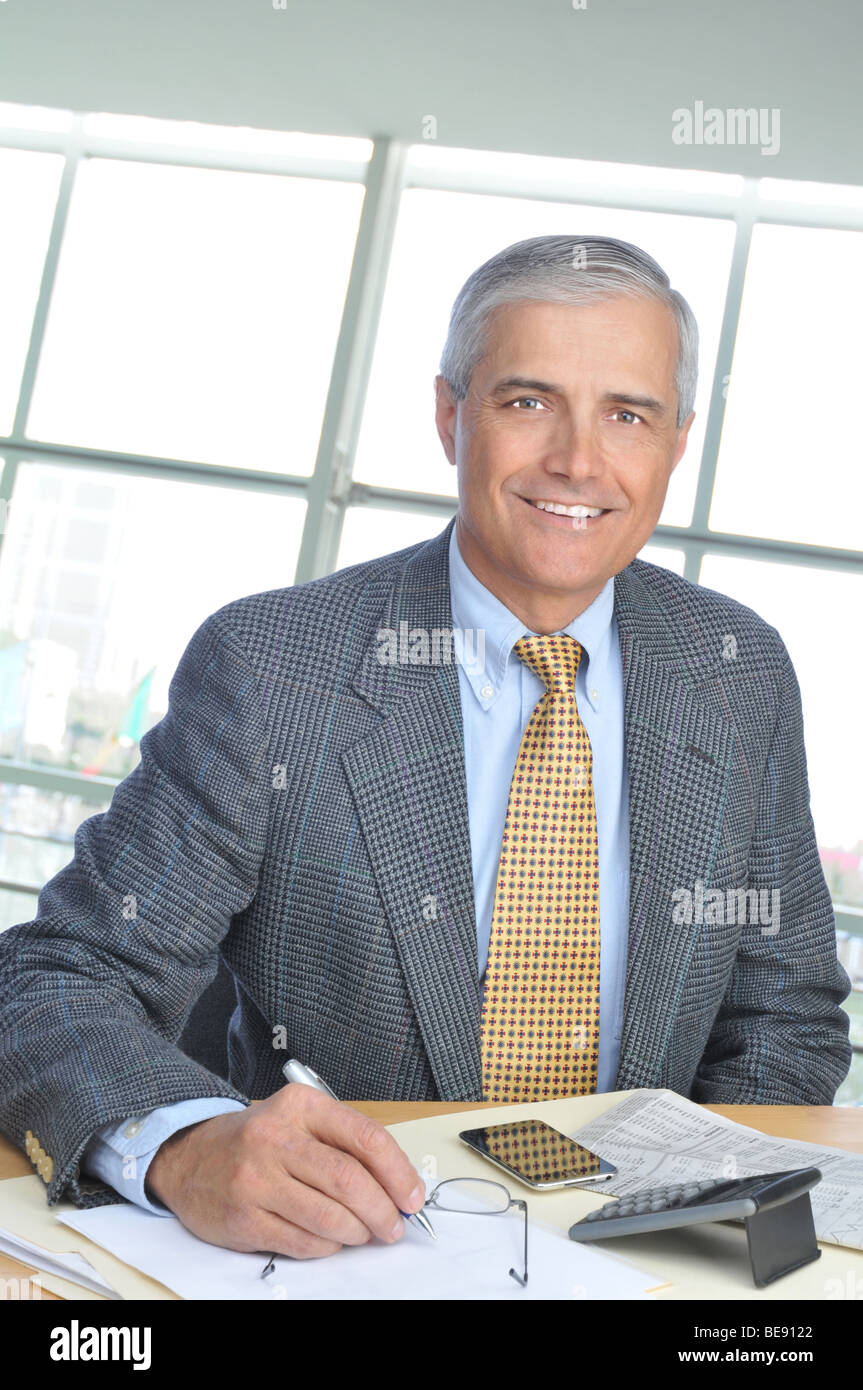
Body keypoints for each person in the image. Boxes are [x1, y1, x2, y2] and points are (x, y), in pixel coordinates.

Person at [0, 235, 851, 1266]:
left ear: (675, 442)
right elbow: (58, 976)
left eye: (626, 414)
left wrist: (689, 1221)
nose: (577, 462)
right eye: (526, 402)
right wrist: (184, 1145)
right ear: (450, 415)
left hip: (646, 1266)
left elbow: (785, 1009)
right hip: (344, 1256)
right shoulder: (275, 667)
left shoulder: (736, 671)